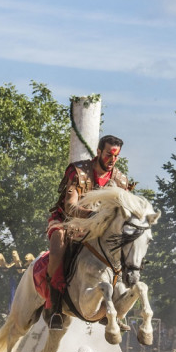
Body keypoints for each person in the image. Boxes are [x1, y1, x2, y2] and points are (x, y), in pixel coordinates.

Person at [44, 135, 132, 329]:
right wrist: (94, 216)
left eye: (116, 156)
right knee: (58, 246)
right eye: (109, 154)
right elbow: (69, 207)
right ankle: (55, 307)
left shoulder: (120, 180)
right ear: (99, 152)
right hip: (67, 222)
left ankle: (119, 303)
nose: (112, 160)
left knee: (129, 249)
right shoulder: (79, 172)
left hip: (99, 229)